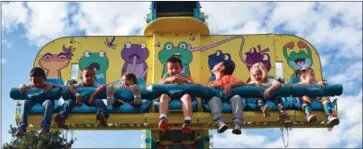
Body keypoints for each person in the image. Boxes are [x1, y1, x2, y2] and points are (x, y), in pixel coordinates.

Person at [16, 67, 60, 136]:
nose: (37, 84)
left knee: (48, 102)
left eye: (39, 82)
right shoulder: (30, 86)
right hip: (33, 101)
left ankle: (45, 128)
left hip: (45, 101)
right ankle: (22, 127)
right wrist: (22, 86)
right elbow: (21, 86)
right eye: (34, 82)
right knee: (25, 102)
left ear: (44, 79)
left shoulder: (48, 85)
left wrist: (52, 86)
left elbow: (61, 87)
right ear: (30, 80)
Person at [207, 61, 247, 135]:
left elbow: (243, 83)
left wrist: (230, 84)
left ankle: (237, 124)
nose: (214, 65)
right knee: (214, 99)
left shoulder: (227, 77)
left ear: (222, 68)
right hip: (217, 99)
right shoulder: (211, 82)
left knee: (237, 97)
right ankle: (219, 123)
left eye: (217, 64)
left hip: (230, 98)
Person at [158, 56, 195, 133]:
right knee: (163, 96)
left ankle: (187, 122)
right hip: (169, 95)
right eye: (171, 69)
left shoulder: (186, 77)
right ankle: (163, 119)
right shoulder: (165, 78)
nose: (174, 70)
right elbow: (159, 86)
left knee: (187, 97)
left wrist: (185, 80)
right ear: (167, 70)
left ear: (181, 68)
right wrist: (167, 80)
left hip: (182, 94)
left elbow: (194, 85)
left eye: (176, 68)